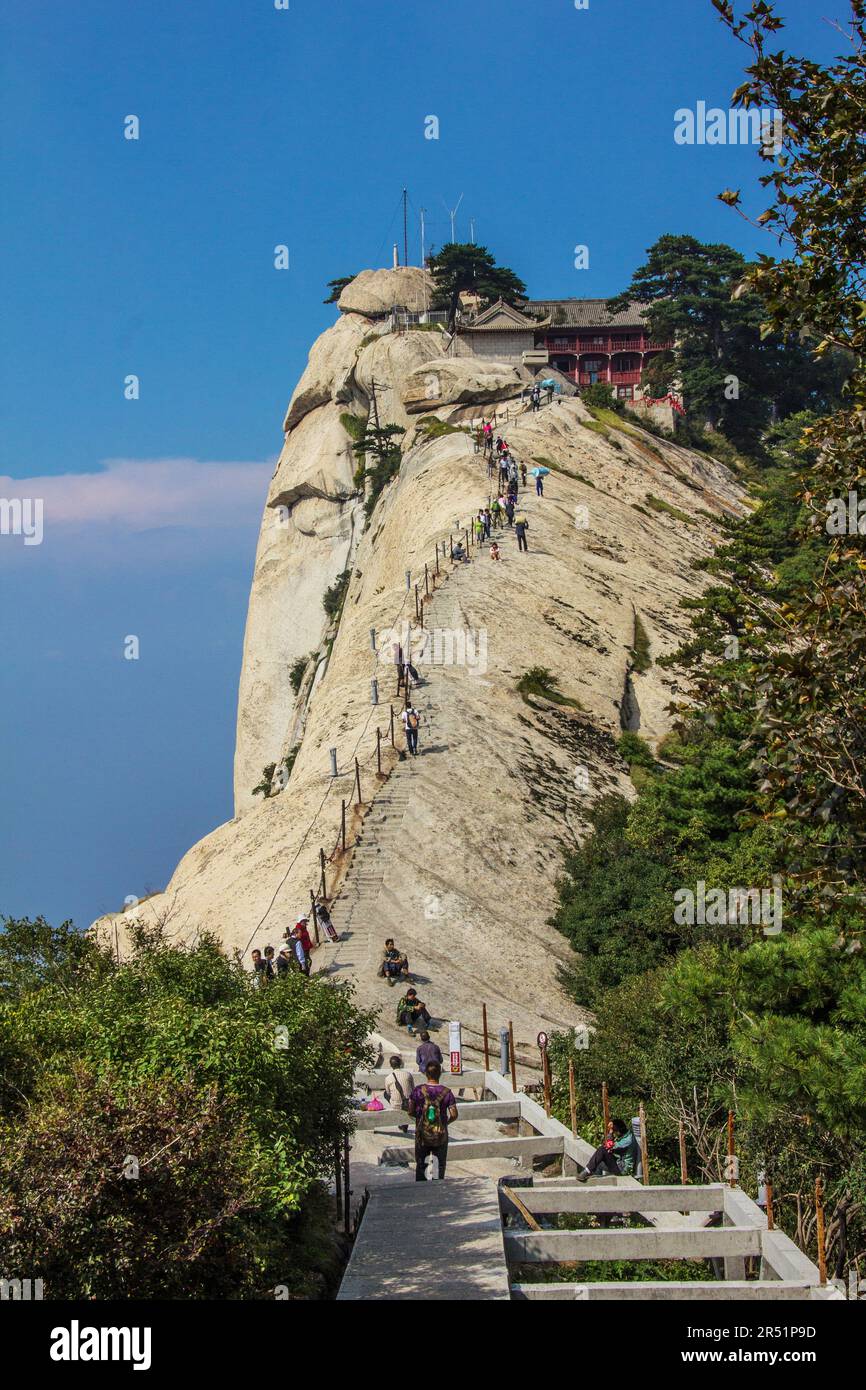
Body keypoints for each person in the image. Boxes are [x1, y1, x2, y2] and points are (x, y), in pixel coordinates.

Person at [409, 1061, 458, 1181]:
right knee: (439, 1165)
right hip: (440, 1134)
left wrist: (420, 1119)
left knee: (421, 1164)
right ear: (440, 1073)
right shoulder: (447, 1092)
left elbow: (410, 1111)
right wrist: (445, 1123)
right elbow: (454, 1114)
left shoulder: (418, 1090)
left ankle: (421, 1187)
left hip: (422, 1133)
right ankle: (437, 1187)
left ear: (426, 1073)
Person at [576, 1118, 641, 1181]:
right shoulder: (627, 1134)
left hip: (622, 1170)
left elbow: (607, 1146)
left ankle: (587, 1171)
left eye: (614, 1132)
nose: (614, 1134)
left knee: (602, 1150)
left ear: (618, 1132)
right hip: (619, 1162)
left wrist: (610, 1133)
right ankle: (589, 1171)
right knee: (598, 1159)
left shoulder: (626, 1141)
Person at [383, 1054, 415, 1133]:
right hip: (408, 1102)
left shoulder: (388, 1078)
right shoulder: (408, 1074)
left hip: (396, 1104)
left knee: (385, 1094)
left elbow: (388, 1092)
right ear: (400, 1063)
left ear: (391, 1065)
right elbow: (413, 1088)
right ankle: (405, 1124)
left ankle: (398, 1112)